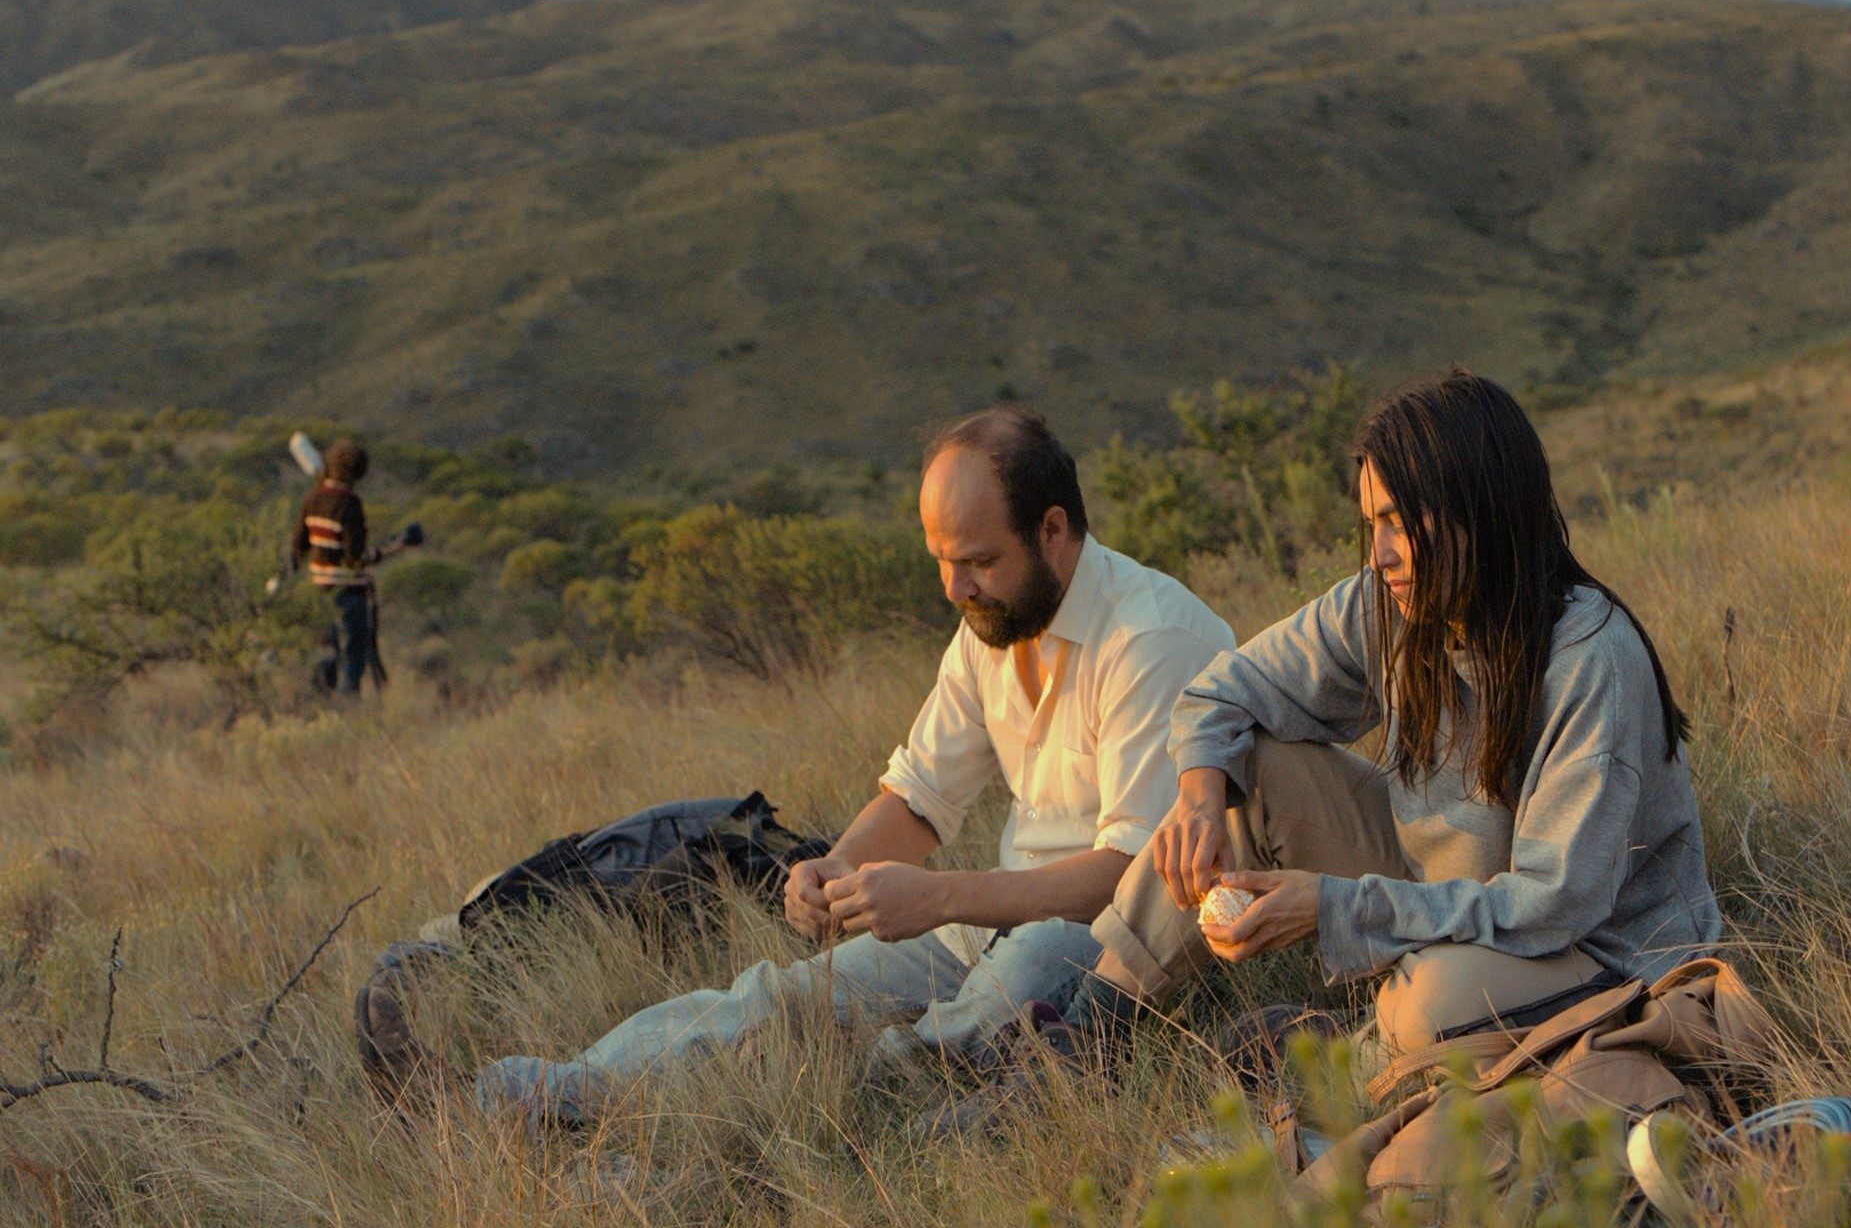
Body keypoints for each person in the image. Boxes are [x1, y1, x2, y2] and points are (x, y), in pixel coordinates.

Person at [356, 407, 1236, 1123]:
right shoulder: (992, 625)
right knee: (780, 1000)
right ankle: (511, 1100)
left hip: (1115, 943)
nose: (954, 591)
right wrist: (839, 867)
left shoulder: (1150, 638)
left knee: (1013, 986)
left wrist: (936, 897)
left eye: (976, 563)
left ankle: (850, 1109)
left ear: (1053, 532)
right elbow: (923, 797)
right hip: (988, 918)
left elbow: (1126, 880)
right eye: (940, 563)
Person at [936, 369, 1722, 1130]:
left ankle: (1318, 1067)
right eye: (1370, 523)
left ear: (1479, 512)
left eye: (1398, 524)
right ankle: (1084, 1040)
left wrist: (1337, 906)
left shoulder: (1591, 663)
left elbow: (1553, 906)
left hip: (1594, 951)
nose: (1378, 555)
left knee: (1435, 1003)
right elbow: (1220, 692)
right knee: (1246, 770)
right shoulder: (1388, 606)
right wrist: (1201, 794)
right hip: (1445, 893)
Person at [292, 439, 391, 695]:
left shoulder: (312, 498)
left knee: (326, 656)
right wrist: (381, 553)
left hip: (319, 593)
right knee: (352, 659)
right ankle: (347, 714)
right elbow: (353, 558)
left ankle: (321, 709)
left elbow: (298, 547)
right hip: (348, 595)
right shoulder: (350, 504)